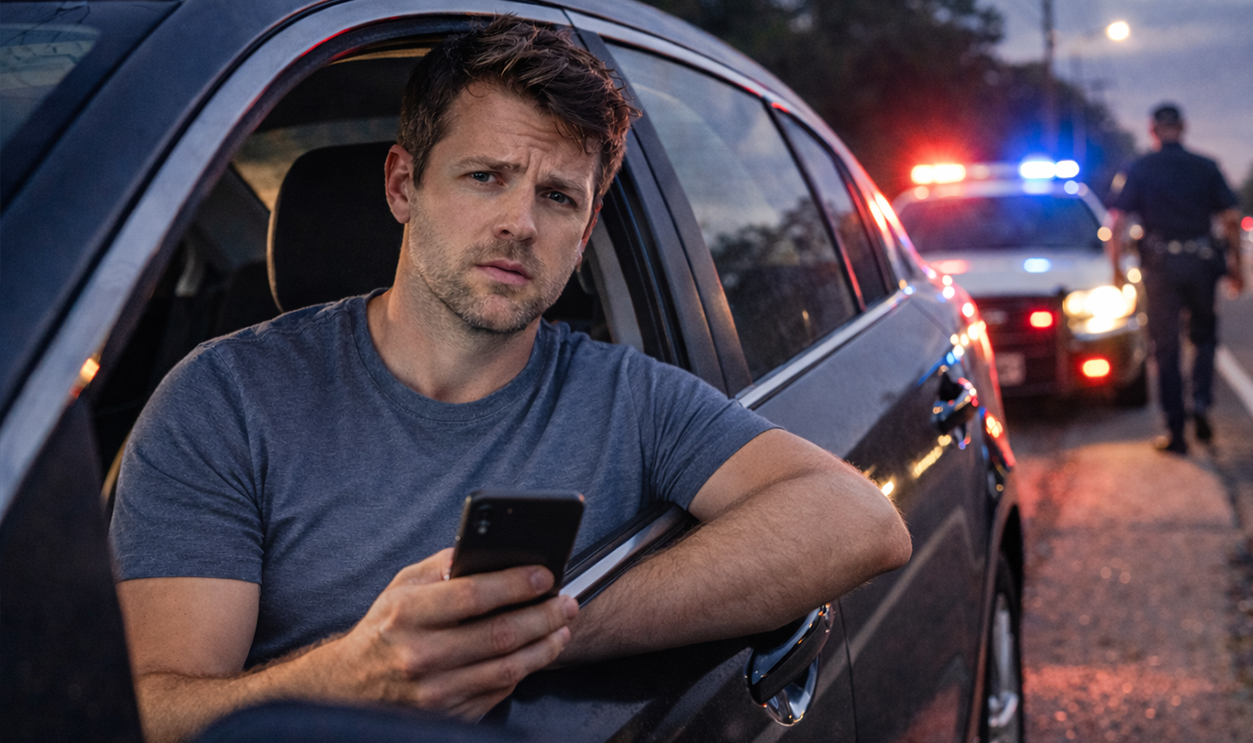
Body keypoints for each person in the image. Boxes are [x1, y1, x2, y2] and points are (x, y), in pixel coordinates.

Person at [109, 17, 912, 743]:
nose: (519, 223)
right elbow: (150, 707)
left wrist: (542, 629)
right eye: (485, 176)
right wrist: (356, 674)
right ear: (402, 185)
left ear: (586, 228)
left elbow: (860, 521)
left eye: (557, 196)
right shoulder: (224, 398)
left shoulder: (628, 396)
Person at [1107, 102, 1244, 455]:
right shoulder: (1206, 167)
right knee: (1204, 338)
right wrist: (1237, 268)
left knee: (1165, 348)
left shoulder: (1139, 169)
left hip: (1161, 267)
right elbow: (1231, 217)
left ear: (1152, 130)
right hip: (1201, 264)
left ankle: (1176, 430)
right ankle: (1200, 399)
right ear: (1183, 128)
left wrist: (1116, 271)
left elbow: (1117, 222)